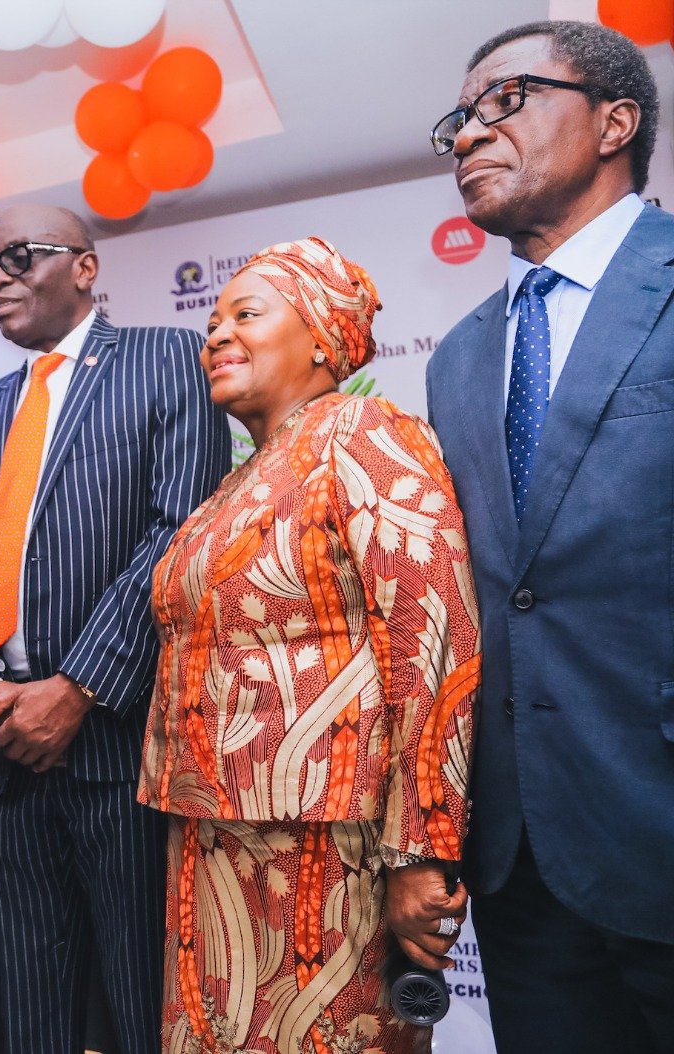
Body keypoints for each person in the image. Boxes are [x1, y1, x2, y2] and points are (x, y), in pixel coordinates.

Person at [140, 237, 481, 1054]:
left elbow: (433, 642)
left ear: (324, 337)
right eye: (212, 321)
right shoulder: (242, 477)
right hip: (211, 834)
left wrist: (420, 852)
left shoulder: (365, 431)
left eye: (247, 314)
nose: (216, 333)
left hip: (327, 853)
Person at [0, 203, 231, 1053]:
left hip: (115, 740)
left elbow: (178, 530)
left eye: (16, 258)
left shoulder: (167, 357)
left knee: (142, 996)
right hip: (4, 746)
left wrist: (78, 688)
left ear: (86, 267)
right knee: (33, 1000)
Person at [425, 20, 674, 1052]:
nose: (469, 135)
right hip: (518, 861)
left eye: (505, 100)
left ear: (614, 120)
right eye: (459, 118)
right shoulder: (455, 358)